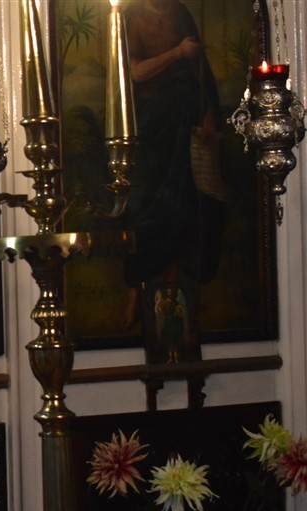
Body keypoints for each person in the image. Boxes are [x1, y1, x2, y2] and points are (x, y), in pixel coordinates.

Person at [121, 0, 225, 329]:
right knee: (147, 208)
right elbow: (134, 72)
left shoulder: (180, 13)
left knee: (187, 207)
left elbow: (200, 71)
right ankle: (139, 289)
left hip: (187, 123)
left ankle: (175, 294)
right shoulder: (131, 15)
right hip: (153, 128)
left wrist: (209, 111)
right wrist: (178, 53)